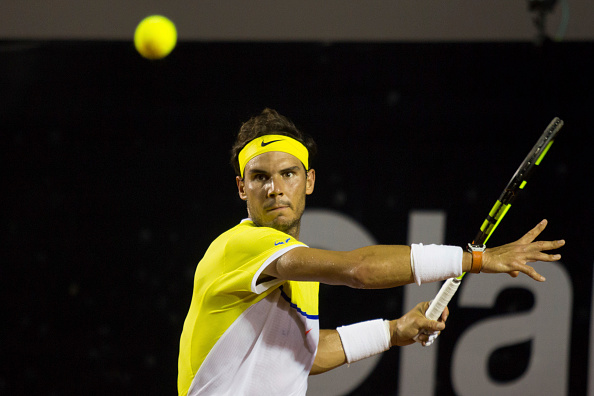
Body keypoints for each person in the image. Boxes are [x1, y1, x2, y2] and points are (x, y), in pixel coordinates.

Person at [177, 108, 564, 396]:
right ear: (242, 189)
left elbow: (303, 356)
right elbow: (358, 270)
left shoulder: (291, 267)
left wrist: (393, 332)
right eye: (260, 177)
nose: (275, 188)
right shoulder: (239, 246)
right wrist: (477, 260)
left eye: (288, 174)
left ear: (308, 181)